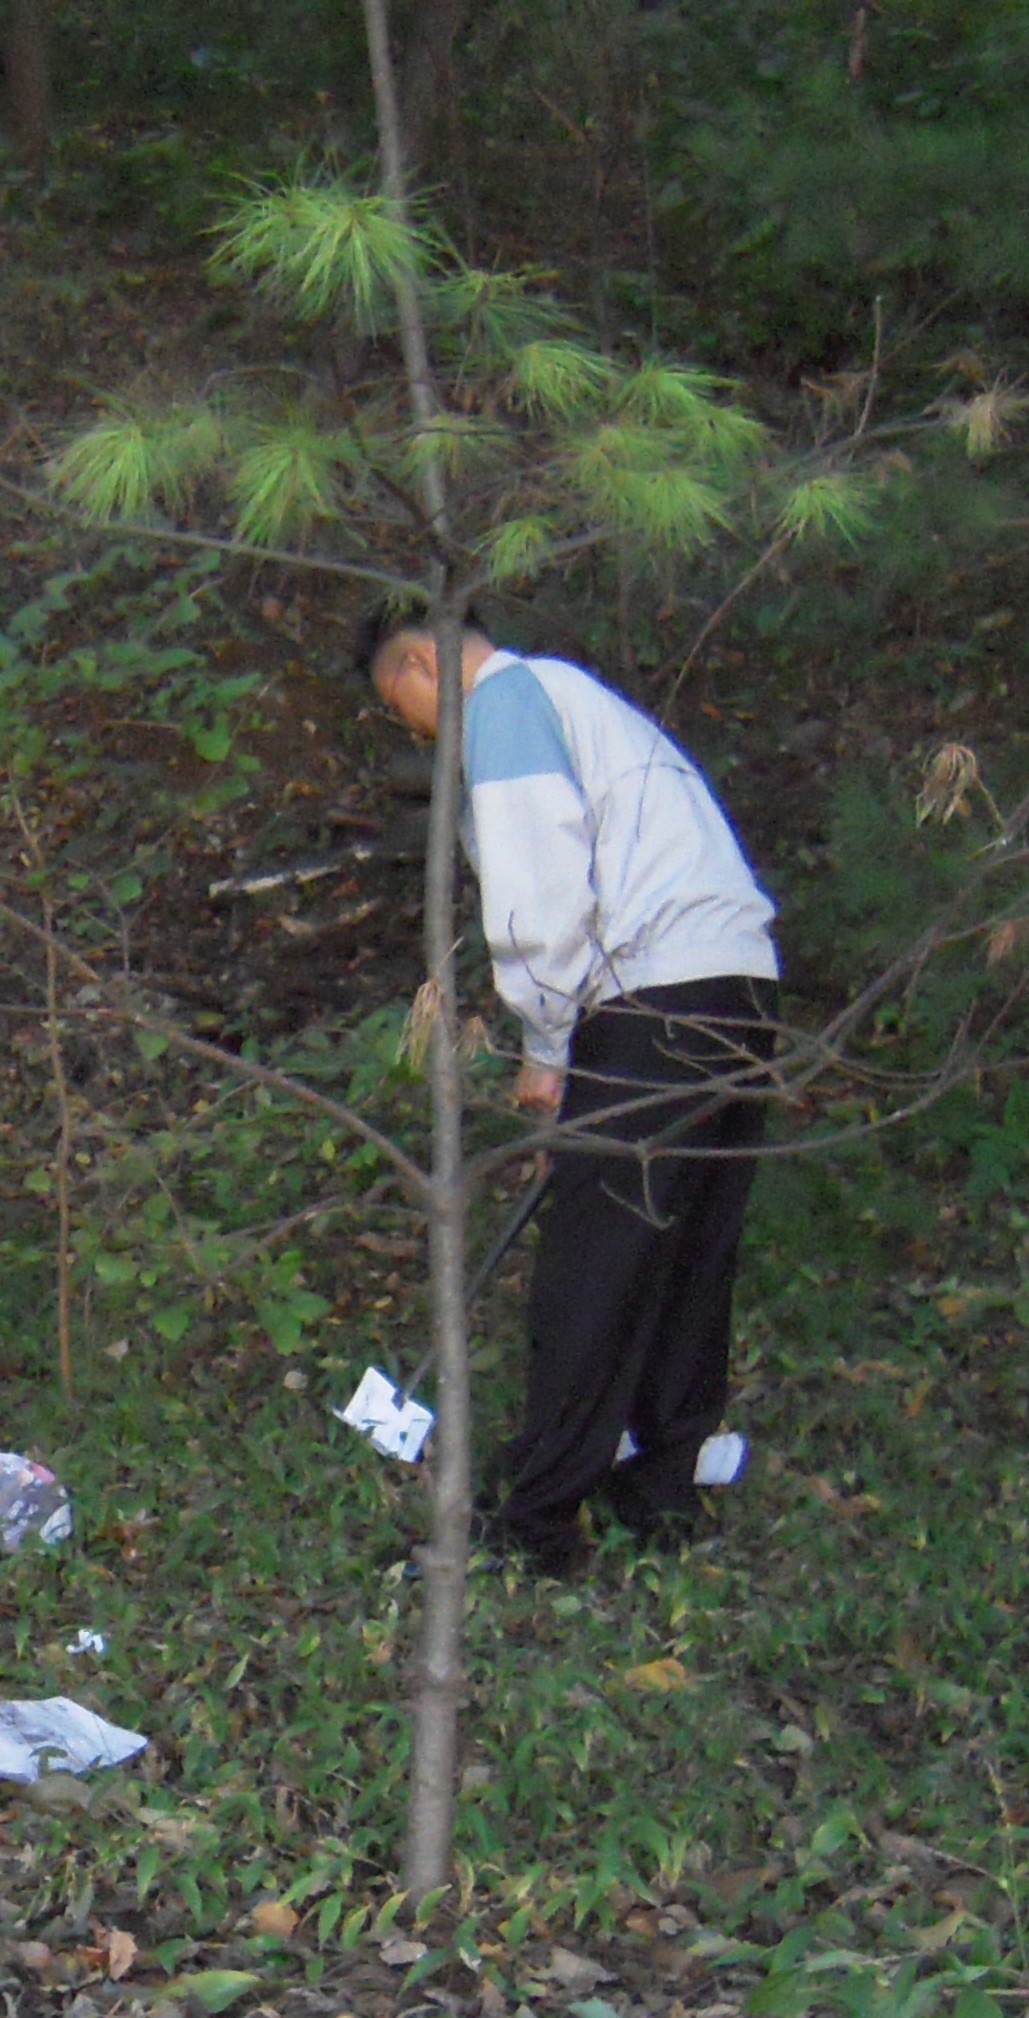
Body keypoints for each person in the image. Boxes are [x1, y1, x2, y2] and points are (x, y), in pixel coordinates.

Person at [359, 607, 781, 1575]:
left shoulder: (505, 702)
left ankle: (536, 1522)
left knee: (593, 1261)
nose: (417, 731)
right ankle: (660, 1489)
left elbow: (540, 892)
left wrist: (552, 1049)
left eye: (404, 706)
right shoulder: (582, 698)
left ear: (424, 663)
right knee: (683, 1246)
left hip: (648, 995)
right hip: (740, 988)